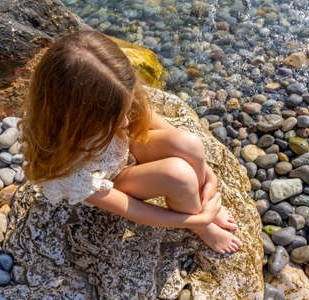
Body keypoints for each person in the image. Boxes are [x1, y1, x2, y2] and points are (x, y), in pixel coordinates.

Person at [17, 29, 242, 254]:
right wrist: (198, 221)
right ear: (78, 121)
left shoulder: (112, 94)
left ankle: (201, 203)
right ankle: (202, 226)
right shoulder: (67, 168)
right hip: (110, 180)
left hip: (121, 154)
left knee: (188, 144)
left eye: (125, 110)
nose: (126, 122)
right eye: (114, 120)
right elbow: (131, 209)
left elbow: (174, 136)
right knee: (178, 176)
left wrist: (208, 183)